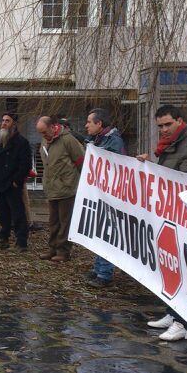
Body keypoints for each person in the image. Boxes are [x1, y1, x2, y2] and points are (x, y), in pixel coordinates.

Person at [137, 104, 187, 341]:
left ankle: (182, 321)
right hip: (170, 216)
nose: (164, 129)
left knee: (183, 269)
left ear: (179, 121)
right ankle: (172, 312)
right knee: (170, 266)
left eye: (168, 124)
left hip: (184, 220)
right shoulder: (170, 145)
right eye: (160, 126)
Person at [83, 108, 126, 288]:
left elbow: (116, 167)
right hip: (99, 194)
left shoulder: (113, 141)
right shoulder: (97, 140)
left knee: (106, 233)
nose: (86, 125)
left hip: (110, 196)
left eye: (89, 122)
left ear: (99, 124)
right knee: (99, 230)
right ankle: (98, 268)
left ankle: (104, 273)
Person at [36, 116, 85, 262]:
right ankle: (53, 248)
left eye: (44, 132)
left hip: (67, 187)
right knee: (53, 221)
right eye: (41, 133)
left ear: (53, 127)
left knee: (65, 221)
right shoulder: (45, 140)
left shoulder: (68, 140)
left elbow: (80, 160)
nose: (43, 136)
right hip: (52, 187)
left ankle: (63, 250)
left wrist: (78, 182)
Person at [0, 112, 32, 251]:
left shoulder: (21, 142)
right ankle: (4, 237)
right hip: (0, 183)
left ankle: (21, 242)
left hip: (12, 183)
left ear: (14, 124)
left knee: (18, 213)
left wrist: (16, 181)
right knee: (3, 213)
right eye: (2, 120)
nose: (3, 123)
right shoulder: (0, 140)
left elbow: (25, 165)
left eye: (7, 121)